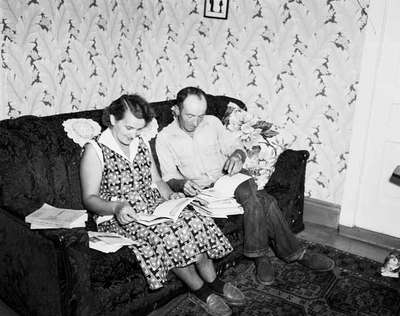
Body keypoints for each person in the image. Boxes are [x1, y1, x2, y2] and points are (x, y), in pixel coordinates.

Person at [80, 94, 245, 316]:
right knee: (168, 235)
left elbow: (157, 181)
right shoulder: (95, 149)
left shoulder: (140, 142)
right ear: (112, 119)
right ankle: (202, 291)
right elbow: (89, 198)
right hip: (119, 214)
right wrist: (116, 208)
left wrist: (170, 197)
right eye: (129, 128)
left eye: (138, 129)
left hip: (152, 205)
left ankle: (215, 280)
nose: (134, 135)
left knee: (195, 220)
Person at [156, 86, 335, 286]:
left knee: (251, 195)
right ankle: (294, 253)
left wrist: (237, 156)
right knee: (264, 200)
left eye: (200, 115)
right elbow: (169, 176)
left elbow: (234, 146)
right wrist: (182, 183)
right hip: (204, 192)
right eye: (190, 116)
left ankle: (260, 257)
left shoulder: (212, 123)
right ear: (176, 110)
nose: (197, 122)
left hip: (231, 177)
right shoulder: (164, 138)